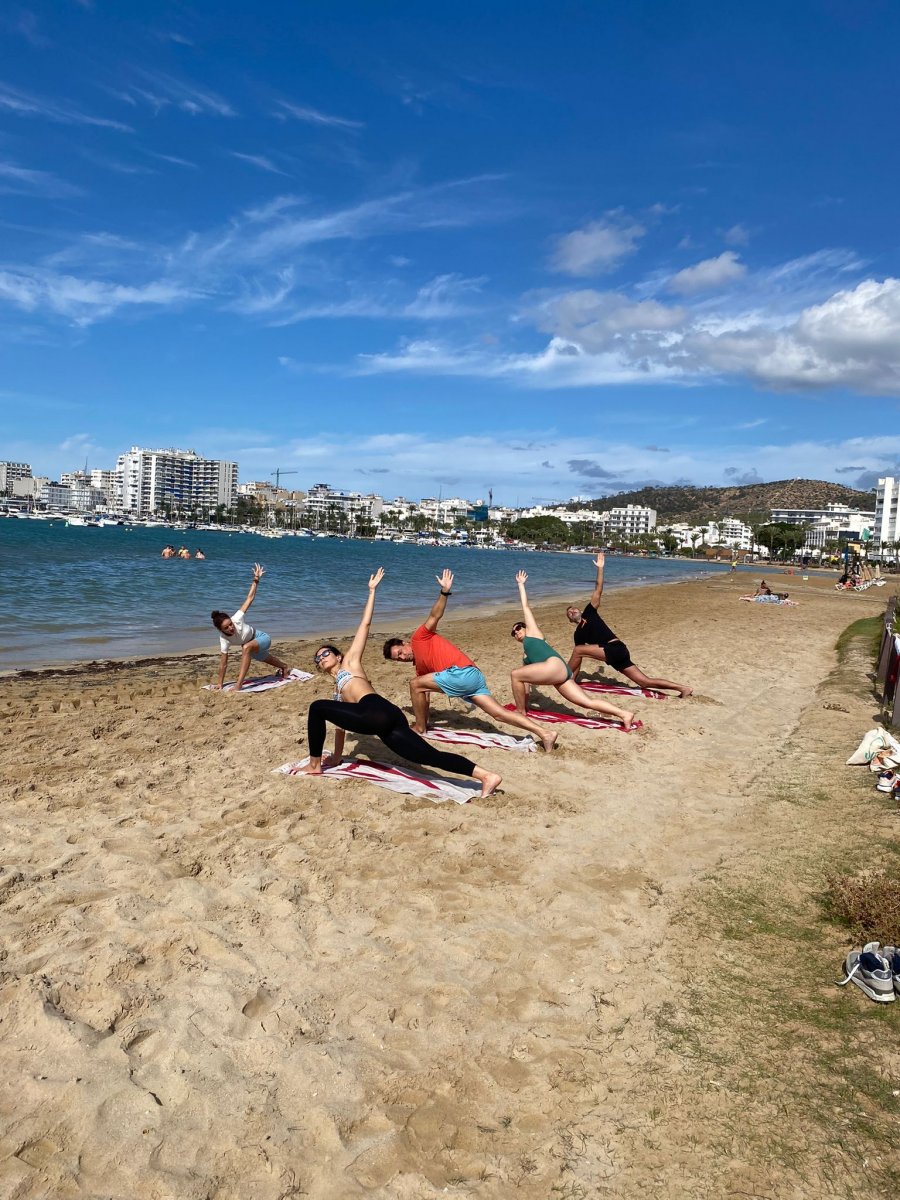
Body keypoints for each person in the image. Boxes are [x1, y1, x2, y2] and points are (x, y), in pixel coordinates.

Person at [298, 569, 502, 798]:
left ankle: (315, 766)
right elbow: (340, 725)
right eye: (318, 658)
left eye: (325, 653)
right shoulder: (337, 689)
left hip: (374, 709)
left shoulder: (351, 662)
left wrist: (372, 591)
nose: (321, 657)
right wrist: (337, 756)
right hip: (386, 719)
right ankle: (486, 776)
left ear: (338, 656)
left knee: (316, 707)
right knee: (429, 756)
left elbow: (364, 626)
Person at [383, 570, 558, 752]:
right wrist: (424, 716)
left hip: (462, 674)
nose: (403, 657)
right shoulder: (420, 668)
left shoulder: (419, 637)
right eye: (399, 659)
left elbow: (435, 616)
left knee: (414, 684)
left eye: (401, 652)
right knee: (499, 714)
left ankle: (419, 729)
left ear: (404, 643)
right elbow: (424, 696)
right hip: (473, 677)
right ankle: (545, 733)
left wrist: (444, 592)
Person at [511, 571, 635, 730]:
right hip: (560, 676)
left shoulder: (533, 633)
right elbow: (525, 682)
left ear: (526, 627)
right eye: (514, 633)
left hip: (554, 666)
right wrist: (526, 697)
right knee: (587, 702)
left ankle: (521, 713)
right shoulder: (525, 656)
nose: (517, 632)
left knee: (515, 674)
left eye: (519, 628)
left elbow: (525, 606)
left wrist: (521, 585)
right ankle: (624, 714)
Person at [565, 553, 692, 696]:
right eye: (569, 613)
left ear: (580, 610)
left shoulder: (589, 612)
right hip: (614, 656)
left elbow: (598, 588)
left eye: (573, 609)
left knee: (577, 650)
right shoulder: (578, 634)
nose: (572, 611)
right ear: (570, 620)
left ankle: (565, 679)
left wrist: (600, 568)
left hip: (615, 648)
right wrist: (575, 676)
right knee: (644, 682)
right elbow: (578, 659)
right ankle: (683, 688)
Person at [210, 563, 290, 691]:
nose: (231, 628)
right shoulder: (223, 639)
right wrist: (220, 683)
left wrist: (256, 580)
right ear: (221, 630)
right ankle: (284, 667)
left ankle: (239, 685)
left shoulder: (237, 618)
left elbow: (250, 598)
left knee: (246, 647)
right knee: (266, 659)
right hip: (252, 648)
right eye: (226, 628)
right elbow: (223, 663)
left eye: (230, 624)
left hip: (261, 638)